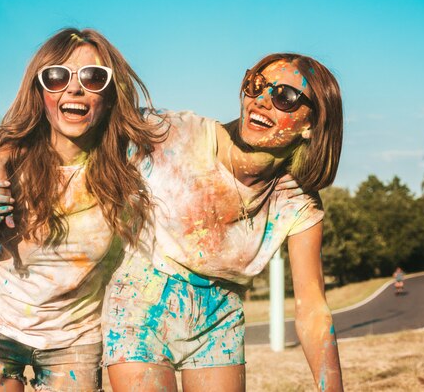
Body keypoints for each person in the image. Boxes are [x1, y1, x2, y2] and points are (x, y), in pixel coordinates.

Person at [103, 53, 344, 392]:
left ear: (311, 124)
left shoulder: (296, 202)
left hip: (220, 317)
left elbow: (313, 308)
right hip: (142, 302)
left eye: (284, 97)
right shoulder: (174, 134)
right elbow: (93, 128)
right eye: (255, 85)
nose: (260, 101)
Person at [0, 28, 164, 392]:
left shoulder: (129, 168)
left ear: (110, 96)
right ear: (41, 91)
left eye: (94, 77)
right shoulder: (6, 162)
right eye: (57, 76)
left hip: (75, 340)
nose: (74, 88)